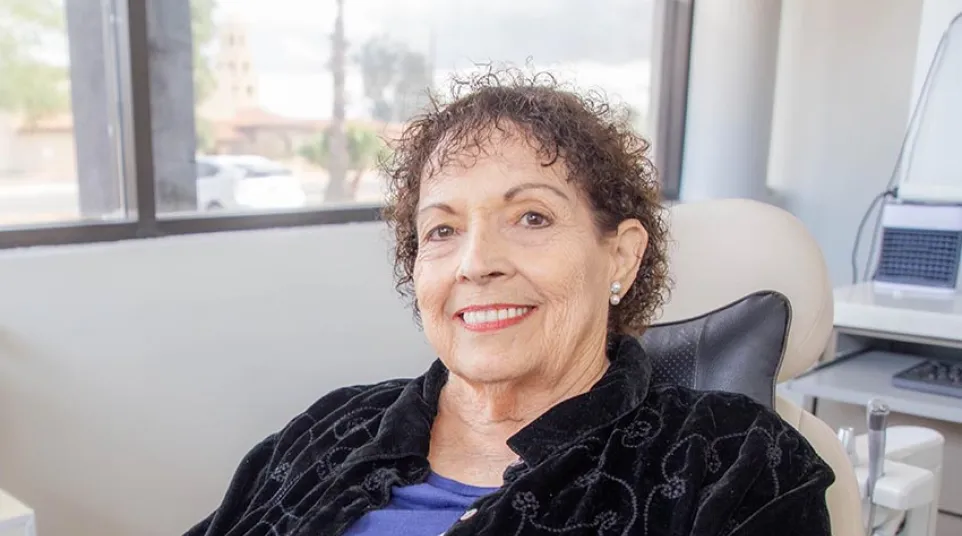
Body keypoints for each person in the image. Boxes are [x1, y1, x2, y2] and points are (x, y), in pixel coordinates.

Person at [185, 70, 834, 536]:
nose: (476, 262)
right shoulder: (331, 429)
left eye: (530, 217)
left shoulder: (732, 461)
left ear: (621, 255)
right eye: (442, 230)